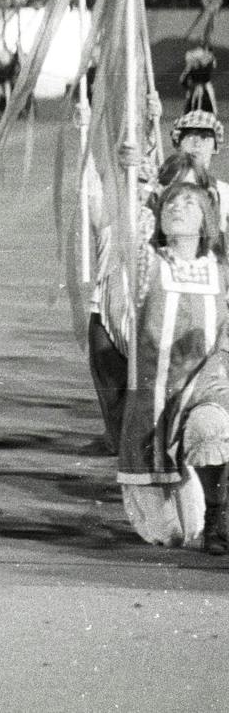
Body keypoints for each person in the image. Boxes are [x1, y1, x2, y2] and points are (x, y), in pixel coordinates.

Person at [115, 177, 229, 554]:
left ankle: (219, 519)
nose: (177, 208)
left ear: (205, 219)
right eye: (170, 205)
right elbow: (112, 222)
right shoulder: (148, 264)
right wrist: (120, 165)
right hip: (156, 393)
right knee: (172, 534)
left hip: (206, 383)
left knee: (211, 429)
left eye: (188, 204)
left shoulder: (222, 268)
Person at [182, 46, 218, 117]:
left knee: (190, 112)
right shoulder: (208, 64)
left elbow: (183, 80)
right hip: (206, 90)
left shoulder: (191, 66)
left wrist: (189, 88)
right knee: (209, 113)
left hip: (194, 90)